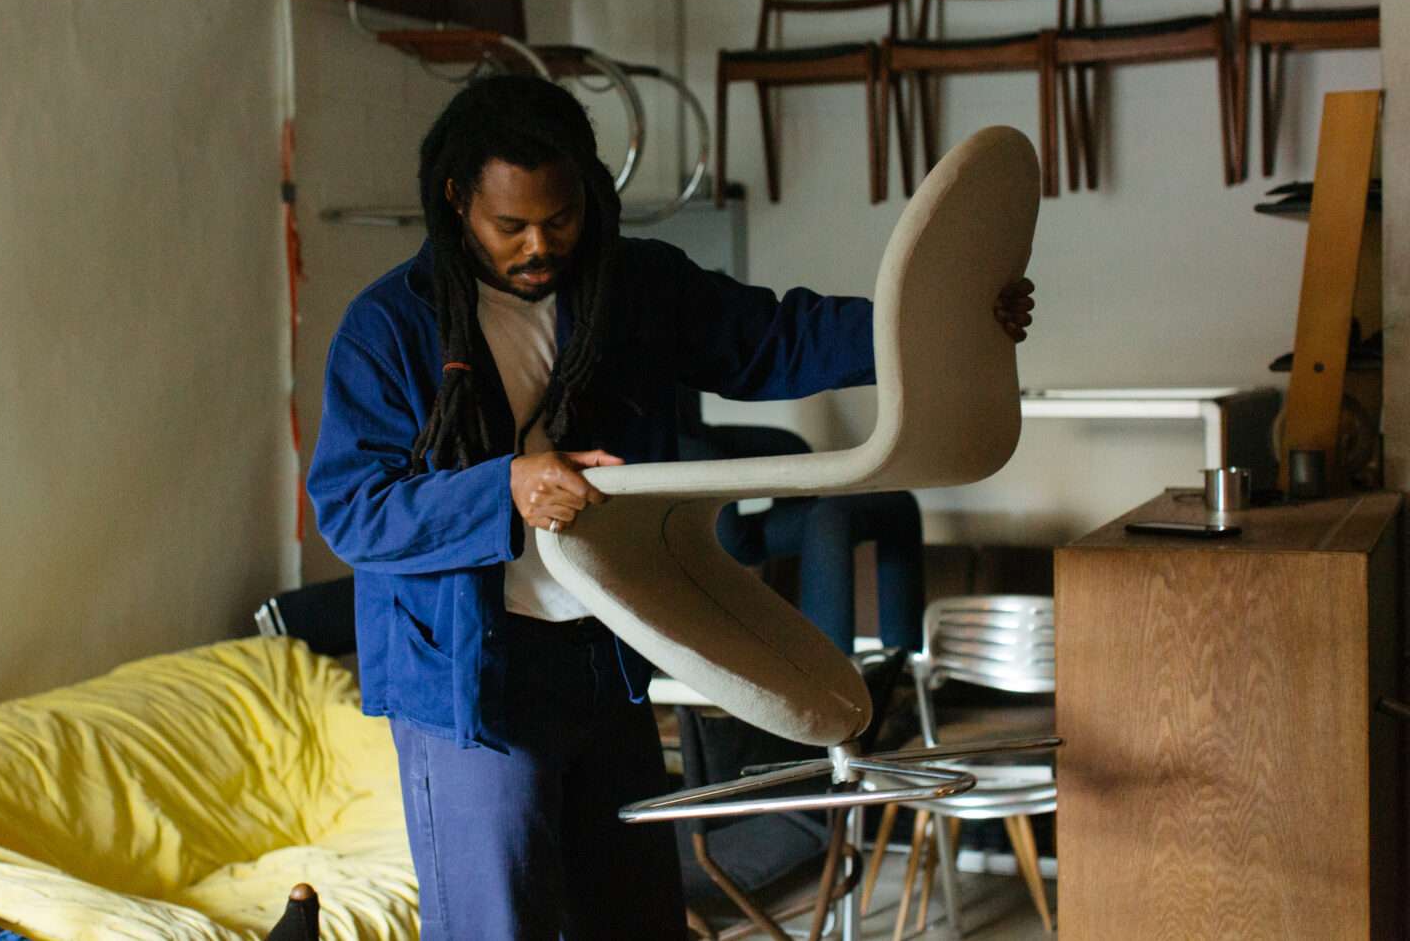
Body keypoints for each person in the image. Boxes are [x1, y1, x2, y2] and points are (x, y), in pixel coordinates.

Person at [306, 75, 1034, 941]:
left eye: (562, 216)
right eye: (513, 226)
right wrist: (504, 485)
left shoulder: (631, 284)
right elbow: (352, 509)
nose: (541, 243)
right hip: (469, 680)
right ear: (458, 200)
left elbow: (773, 339)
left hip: (607, 649)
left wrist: (940, 322)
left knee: (640, 918)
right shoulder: (386, 327)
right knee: (501, 926)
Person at [675, 391, 925, 654]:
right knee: (826, 520)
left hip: (696, 445)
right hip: (676, 465)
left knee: (889, 506)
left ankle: (902, 662)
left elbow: (787, 447)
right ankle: (831, 679)